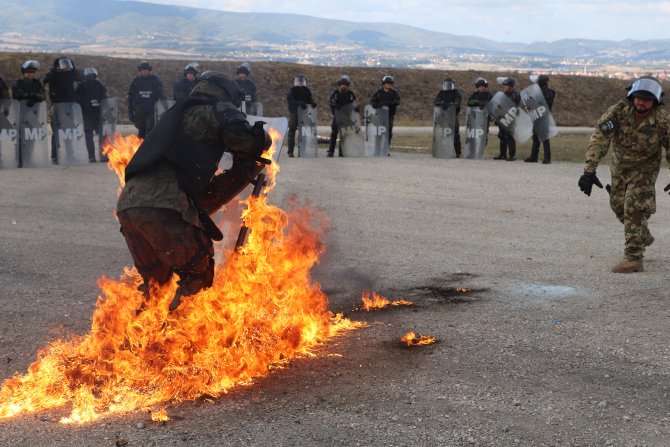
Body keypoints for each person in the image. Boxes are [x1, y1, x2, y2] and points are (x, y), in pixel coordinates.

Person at [116, 71, 272, 312]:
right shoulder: (213, 110)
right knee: (197, 274)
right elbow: (246, 141)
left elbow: (203, 198)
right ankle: (174, 342)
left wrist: (241, 174)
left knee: (156, 284)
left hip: (129, 207)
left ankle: (133, 343)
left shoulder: (176, 115)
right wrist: (262, 141)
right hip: (164, 207)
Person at [578, 76, 670, 273]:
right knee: (617, 204)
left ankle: (633, 258)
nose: (641, 102)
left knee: (634, 207)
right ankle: (642, 234)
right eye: (638, 97)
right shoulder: (618, 111)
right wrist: (589, 170)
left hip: (645, 168)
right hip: (620, 167)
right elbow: (600, 139)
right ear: (631, 96)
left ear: (655, 100)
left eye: (646, 99)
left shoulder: (663, 119)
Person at [43, 57, 82, 164]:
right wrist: (53, 70)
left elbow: (81, 77)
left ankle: (70, 155)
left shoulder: (71, 74)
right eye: (63, 65)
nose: (65, 67)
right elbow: (45, 79)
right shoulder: (54, 74)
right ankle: (55, 156)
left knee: (68, 132)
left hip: (69, 106)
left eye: (67, 65)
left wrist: (73, 69)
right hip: (57, 106)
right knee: (56, 132)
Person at [12, 60, 46, 168]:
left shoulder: (37, 83)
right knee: (21, 137)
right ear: (23, 73)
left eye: (32, 73)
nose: (30, 74)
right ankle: (19, 160)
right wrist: (29, 95)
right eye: (27, 73)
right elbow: (17, 95)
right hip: (21, 113)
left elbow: (43, 96)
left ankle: (28, 159)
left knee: (31, 137)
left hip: (33, 113)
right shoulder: (18, 82)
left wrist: (34, 97)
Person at [76, 67, 108, 162]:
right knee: (89, 136)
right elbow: (78, 100)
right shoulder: (82, 86)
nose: (91, 77)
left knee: (102, 136)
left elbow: (105, 98)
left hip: (98, 114)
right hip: (88, 114)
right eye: (89, 76)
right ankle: (92, 156)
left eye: (92, 76)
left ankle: (102, 155)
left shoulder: (99, 85)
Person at [127, 60, 164, 139]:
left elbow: (161, 96)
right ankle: (140, 149)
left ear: (149, 70)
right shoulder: (136, 81)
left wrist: (163, 110)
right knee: (141, 131)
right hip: (139, 111)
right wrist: (130, 112)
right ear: (140, 71)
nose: (145, 71)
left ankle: (150, 150)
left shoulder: (155, 80)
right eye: (143, 70)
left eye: (146, 70)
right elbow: (130, 97)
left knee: (151, 131)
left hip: (151, 111)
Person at [525, 75, 556, 164]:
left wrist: (532, 103)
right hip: (537, 116)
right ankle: (533, 156)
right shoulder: (539, 92)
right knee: (535, 137)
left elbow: (544, 106)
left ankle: (547, 158)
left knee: (544, 137)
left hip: (544, 116)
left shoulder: (548, 93)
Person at [286, 74, 316, 158]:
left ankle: (301, 150)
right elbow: (290, 100)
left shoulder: (307, 90)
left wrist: (312, 104)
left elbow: (310, 99)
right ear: (296, 82)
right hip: (294, 112)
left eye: (302, 82)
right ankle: (290, 152)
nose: (300, 83)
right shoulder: (291, 90)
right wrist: (299, 103)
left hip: (304, 113)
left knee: (303, 132)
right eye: (299, 82)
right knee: (292, 131)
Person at [328, 74, 357, 157]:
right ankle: (331, 151)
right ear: (339, 85)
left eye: (345, 85)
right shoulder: (335, 93)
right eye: (342, 85)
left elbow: (354, 103)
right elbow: (331, 101)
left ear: (348, 86)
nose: (344, 86)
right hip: (337, 116)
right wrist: (335, 105)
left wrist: (356, 108)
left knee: (343, 134)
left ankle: (342, 152)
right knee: (334, 133)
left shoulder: (350, 94)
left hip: (346, 116)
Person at [434, 77, 463, 157]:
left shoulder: (456, 93)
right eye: (446, 84)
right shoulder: (441, 93)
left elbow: (458, 103)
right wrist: (441, 103)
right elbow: (436, 101)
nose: (448, 86)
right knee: (442, 133)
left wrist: (449, 105)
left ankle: (458, 153)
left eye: (449, 84)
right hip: (442, 116)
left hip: (453, 116)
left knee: (455, 135)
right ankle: (443, 150)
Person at [370, 75, 400, 150]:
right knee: (379, 132)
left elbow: (397, 101)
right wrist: (380, 104)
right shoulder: (378, 93)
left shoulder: (394, 93)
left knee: (388, 132)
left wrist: (388, 103)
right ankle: (377, 149)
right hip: (380, 115)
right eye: (386, 83)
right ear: (383, 83)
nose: (388, 84)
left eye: (389, 83)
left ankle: (386, 149)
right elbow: (373, 103)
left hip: (390, 115)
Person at [493, 77, 521, 161]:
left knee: (509, 136)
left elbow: (511, 107)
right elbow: (499, 106)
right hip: (502, 118)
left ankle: (512, 155)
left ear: (511, 86)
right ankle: (502, 154)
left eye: (506, 85)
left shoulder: (515, 95)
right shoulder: (503, 95)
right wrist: (497, 118)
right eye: (504, 85)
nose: (504, 87)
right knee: (502, 136)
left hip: (510, 118)